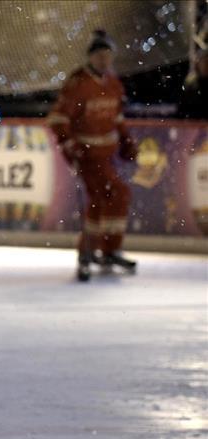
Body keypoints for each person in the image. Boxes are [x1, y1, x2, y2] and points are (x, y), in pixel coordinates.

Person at [47, 30, 138, 282]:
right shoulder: (79, 84)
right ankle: (100, 249)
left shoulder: (113, 84)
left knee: (105, 197)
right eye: (99, 54)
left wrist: (126, 140)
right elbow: (58, 119)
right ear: (90, 56)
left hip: (106, 155)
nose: (104, 59)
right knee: (114, 193)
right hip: (87, 155)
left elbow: (117, 117)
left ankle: (99, 250)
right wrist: (70, 145)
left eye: (108, 54)